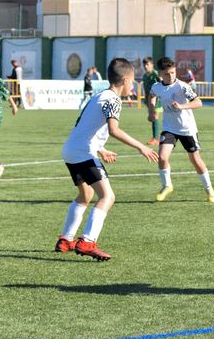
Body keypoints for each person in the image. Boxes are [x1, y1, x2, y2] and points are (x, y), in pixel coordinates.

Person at [55, 58, 159, 260]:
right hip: (83, 152)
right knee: (108, 197)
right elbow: (113, 130)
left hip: (71, 150)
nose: (133, 85)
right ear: (125, 80)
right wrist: (141, 147)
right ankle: (87, 241)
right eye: (132, 81)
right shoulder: (113, 100)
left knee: (85, 195)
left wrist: (101, 149)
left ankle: (66, 240)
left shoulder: (99, 96)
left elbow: (86, 126)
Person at [148, 57, 214, 203]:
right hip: (169, 128)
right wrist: (152, 111)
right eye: (167, 74)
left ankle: (209, 189)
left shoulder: (182, 86)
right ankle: (167, 185)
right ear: (160, 74)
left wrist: (182, 106)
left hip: (187, 129)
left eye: (173, 72)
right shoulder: (156, 87)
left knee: (195, 159)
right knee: (162, 157)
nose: (171, 76)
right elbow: (151, 96)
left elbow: (198, 102)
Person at [142, 57, 162, 145]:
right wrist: (145, 99)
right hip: (149, 100)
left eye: (147, 64)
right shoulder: (145, 76)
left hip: (157, 99)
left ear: (152, 65)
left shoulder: (155, 74)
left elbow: (162, 83)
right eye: (144, 65)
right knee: (152, 117)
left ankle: (155, 139)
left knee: (155, 116)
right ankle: (156, 137)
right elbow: (145, 88)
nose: (145, 66)